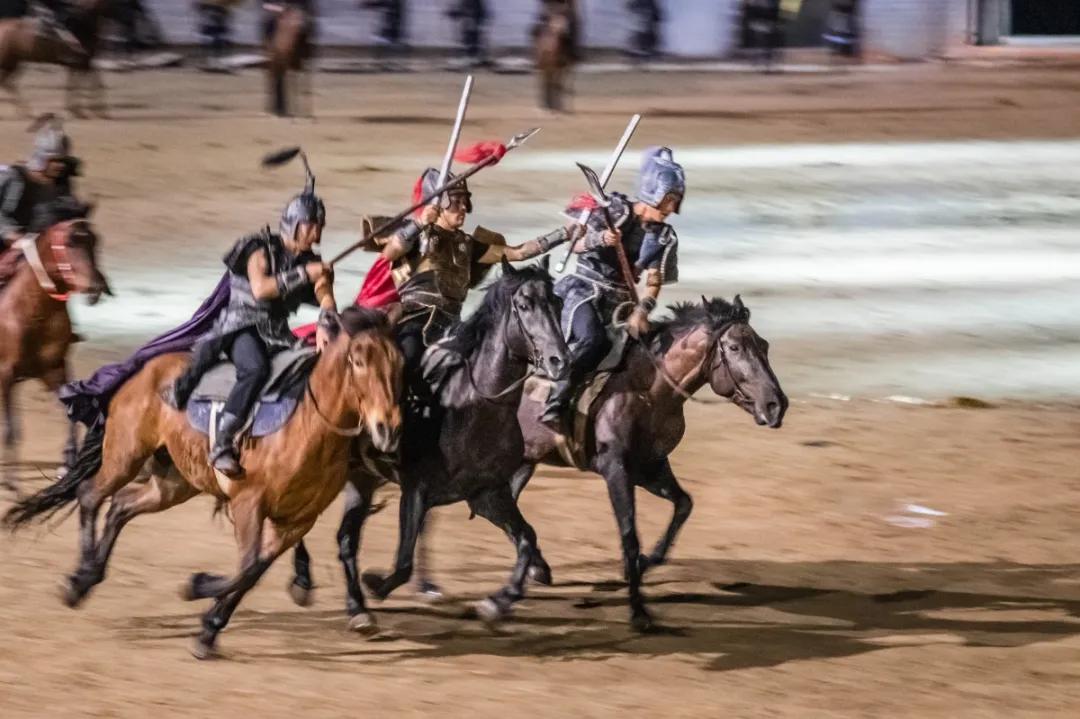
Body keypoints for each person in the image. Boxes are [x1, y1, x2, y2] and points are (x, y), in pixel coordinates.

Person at [164, 162, 336, 478]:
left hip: (278, 333)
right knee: (255, 369)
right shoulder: (259, 248)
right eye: (313, 226)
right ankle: (222, 443)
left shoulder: (310, 260)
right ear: (295, 224)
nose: (317, 234)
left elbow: (323, 292)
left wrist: (326, 315)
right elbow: (261, 289)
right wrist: (305, 273)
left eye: (320, 227)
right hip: (240, 327)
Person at [373, 166, 574, 394]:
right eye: (456, 202)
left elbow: (518, 253)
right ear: (438, 204)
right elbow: (389, 253)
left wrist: (563, 234)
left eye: (464, 202)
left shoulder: (467, 244)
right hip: (416, 320)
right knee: (407, 359)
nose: (463, 208)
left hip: (453, 324)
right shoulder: (418, 235)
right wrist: (419, 223)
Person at [540, 146, 684, 427]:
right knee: (591, 339)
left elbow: (653, 280)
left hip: (622, 305)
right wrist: (601, 239)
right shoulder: (615, 211)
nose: (671, 209)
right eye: (668, 200)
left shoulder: (664, 237)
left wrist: (642, 310)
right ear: (653, 192)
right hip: (585, 292)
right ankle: (555, 402)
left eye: (675, 201)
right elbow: (575, 244)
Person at [0, 117, 80, 256]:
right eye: (55, 161)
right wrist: (8, 233)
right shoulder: (15, 178)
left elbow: (63, 217)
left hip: (34, 247)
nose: (61, 166)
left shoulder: (61, 186)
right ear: (41, 159)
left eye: (63, 161)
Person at [447, 0, 488, 68]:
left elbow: (479, 12)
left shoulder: (475, 3)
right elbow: (460, 11)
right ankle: (470, 57)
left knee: (471, 37)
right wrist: (453, 13)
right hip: (471, 22)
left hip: (474, 22)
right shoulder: (465, 2)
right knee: (467, 37)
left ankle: (472, 57)